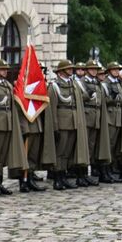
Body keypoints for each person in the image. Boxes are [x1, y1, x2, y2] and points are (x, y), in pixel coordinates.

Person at [0, 59, 27, 195]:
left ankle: (0, 182)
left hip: (8, 123)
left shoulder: (8, 85)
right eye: (2, 69)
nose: (5, 71)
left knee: (2, 156)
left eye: (5, 69)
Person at [47, 60, 88, 190]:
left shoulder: (73, 84)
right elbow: (52, 108)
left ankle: (63, 176)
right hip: (62, 123)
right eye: (68, 68)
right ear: (61, 71)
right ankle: (57, 178)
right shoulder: (54, 86)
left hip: (73, 122)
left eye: (71, 68)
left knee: (67, 152)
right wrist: (55, 127)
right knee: (60, 152)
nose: (71, 70)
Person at [101, 61, 122, 182]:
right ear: (109, 71)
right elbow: (105, 99)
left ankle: (113, 170)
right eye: (114, 70)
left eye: (117, 70)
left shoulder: (119, 83)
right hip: (110, 116)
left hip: (119, 116)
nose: (116, 71)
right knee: (108, 145)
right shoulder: (105, 83)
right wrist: (113, 98)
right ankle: (105, 171)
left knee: (116, 146)